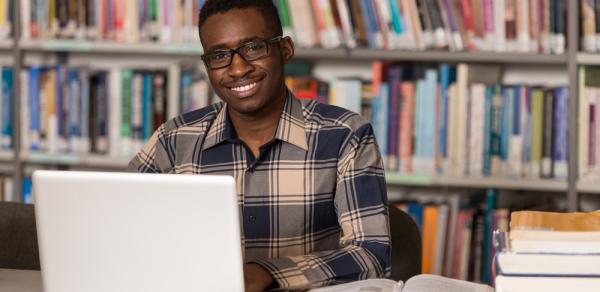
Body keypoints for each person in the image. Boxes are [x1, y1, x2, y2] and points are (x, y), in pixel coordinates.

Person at [129, 0, 390, 291]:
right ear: (207, 65)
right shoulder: (173, 140)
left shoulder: (345, 136)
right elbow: (116, 228)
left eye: (253, 48)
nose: (238, 69)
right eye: (219, 55)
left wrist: (266, 273)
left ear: (285, 50)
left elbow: (370, 254)